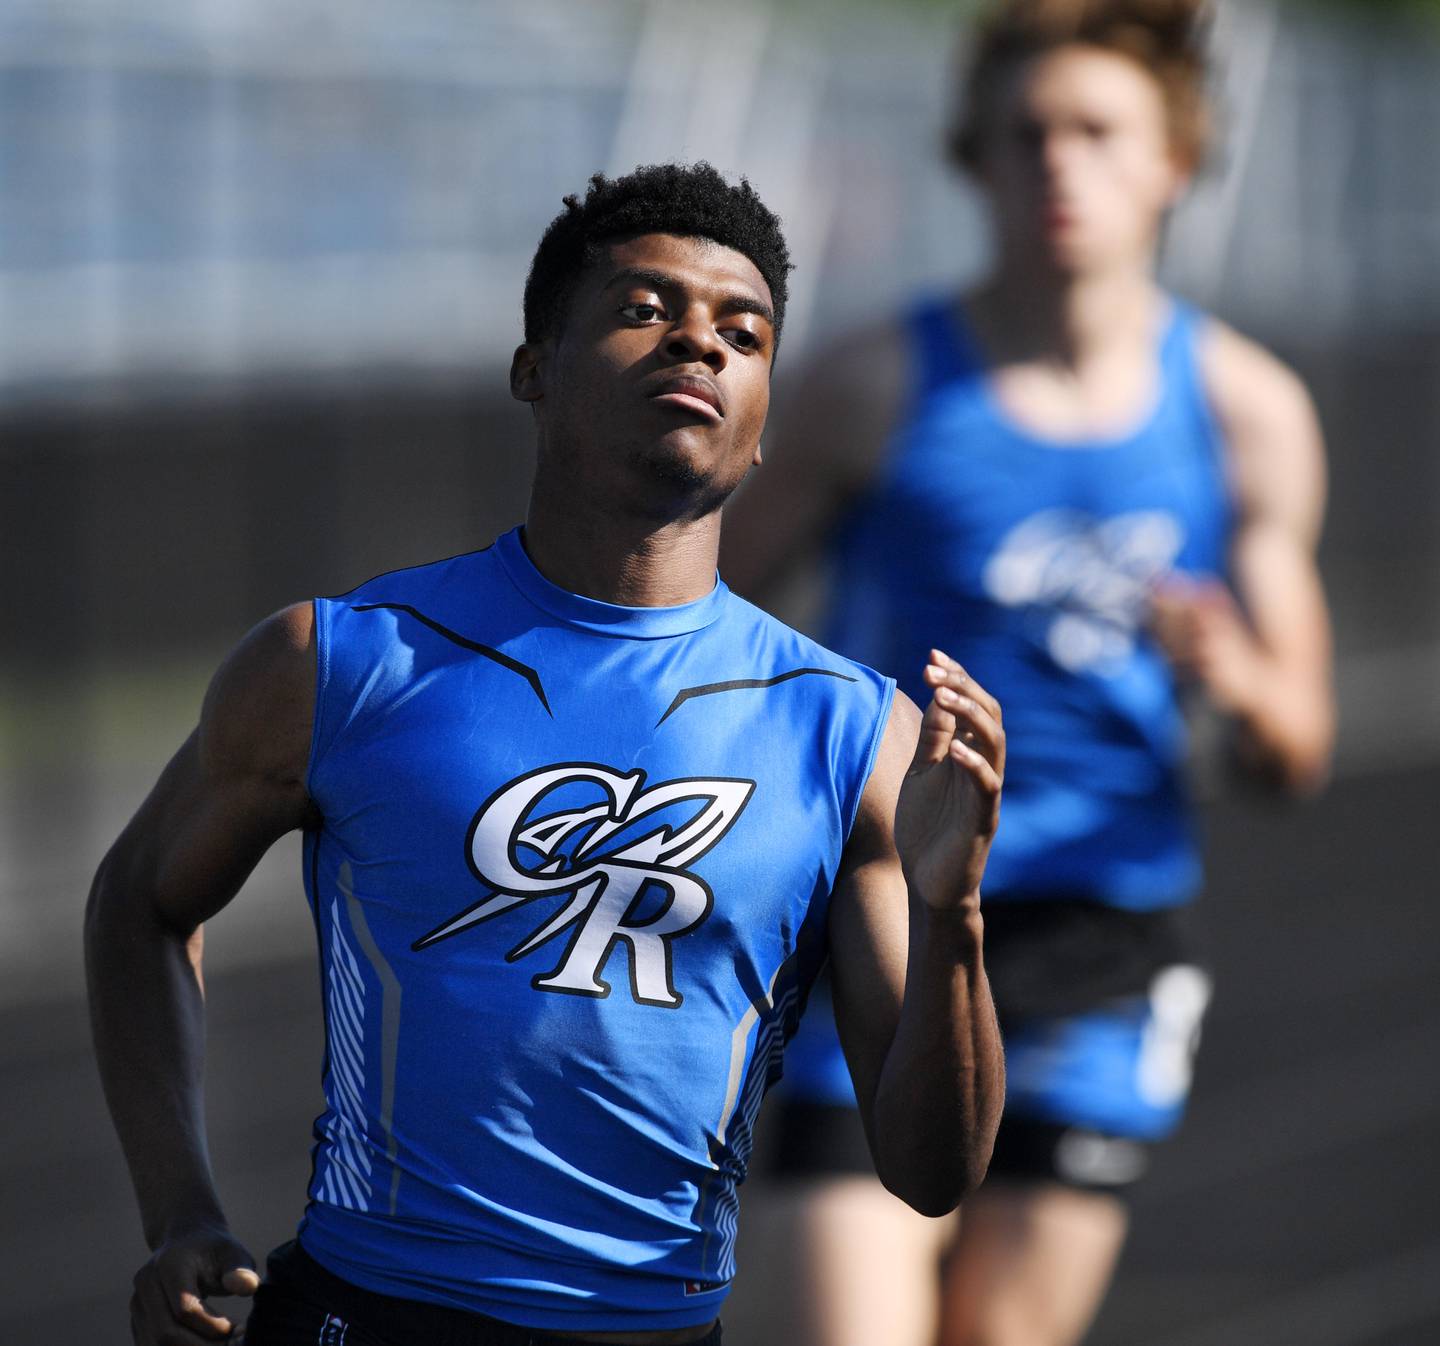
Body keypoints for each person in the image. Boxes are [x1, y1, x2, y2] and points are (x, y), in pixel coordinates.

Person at [85, 162, 1008, 1346]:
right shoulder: (342, 661)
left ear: (768, 416)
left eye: (744, 330)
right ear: (535, 366)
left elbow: (933, 1171)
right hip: (368, 1316)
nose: (700, 346)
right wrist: (179, 1208)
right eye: (643, 309)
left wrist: (956, 912)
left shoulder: (852, 731)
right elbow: (136, 900)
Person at [719, 2, 1336, 1343]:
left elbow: (1299, 745)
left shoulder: (1244, 412)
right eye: (1026, 136)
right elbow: (699, 622)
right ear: (975, 160)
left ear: (1174, 161)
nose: (1059, 165)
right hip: (886, 925)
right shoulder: (869, 385)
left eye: (1098, 133)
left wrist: (1231, 670)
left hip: (1097, 946)